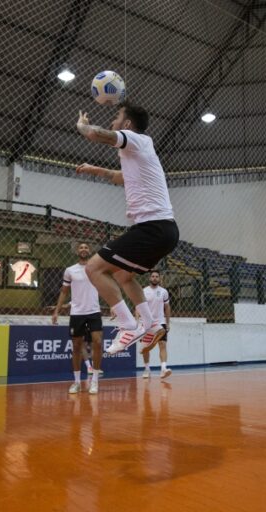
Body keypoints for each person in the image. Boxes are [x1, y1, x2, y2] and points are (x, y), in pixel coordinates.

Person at [74, 102, 179, 355]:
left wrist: (82, 126)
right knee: (122, 275)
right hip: (164, 231)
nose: (113, 121)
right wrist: (95, 170)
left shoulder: (135, 139)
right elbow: (120, 177)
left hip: (152, 228)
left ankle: (128, 324)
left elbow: (97, 134)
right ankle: (152, 324)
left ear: (128, 124)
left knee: (93, 268)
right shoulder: (138, 154)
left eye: (117, 117)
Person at [52, 242, 104, 395]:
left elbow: (105, 287)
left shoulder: (95, 268)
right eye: (81, 247)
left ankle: (94, 382)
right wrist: (57, 310)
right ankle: (76, 382)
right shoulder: (70, 271)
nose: (83, 249)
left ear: (90, 251)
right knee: (76, 347)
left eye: (86, 247)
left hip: (94, 311)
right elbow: (64, 292)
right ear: (77, 251)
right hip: (77, 313)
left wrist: (114, 305)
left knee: (98, 342)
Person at [141, 270, 172, 379]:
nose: (154, 278)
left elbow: (167, 307)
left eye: (156, 276)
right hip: (147, 323)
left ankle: (163, 369)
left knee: (162, 344)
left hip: (160, 323)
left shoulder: (164, 292)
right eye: (153, 276)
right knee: (146, 347)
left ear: (159, 279)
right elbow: (138, 306)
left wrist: (168, 322)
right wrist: (137, 321)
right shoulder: (144, 291)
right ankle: (146, 368)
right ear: (149, 278)